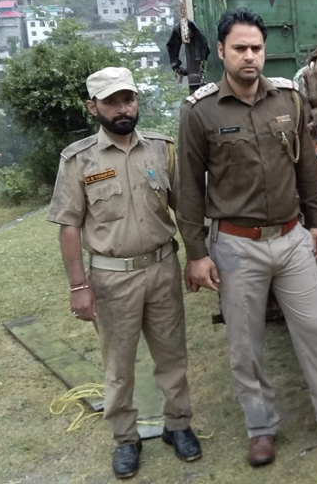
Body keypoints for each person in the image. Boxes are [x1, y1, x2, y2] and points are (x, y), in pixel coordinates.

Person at [176, 8, 317, 468]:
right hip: (236, 245)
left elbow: (308, 167)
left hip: (291, 237)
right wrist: (197, 253)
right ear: (221, 51)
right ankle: (261, 427)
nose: (249, 57)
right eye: (239, 48)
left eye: (256, 48)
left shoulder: (290, 99)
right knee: (246, 343)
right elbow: (187, 187)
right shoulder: (200, 111)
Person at [47, 67, 201, 480]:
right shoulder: (79, 160)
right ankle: (126, 438)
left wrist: (196, 257)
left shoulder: (160, 150)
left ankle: (178, 425)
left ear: (137, 101)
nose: (122, 109)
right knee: (119, 365)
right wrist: (79, 286)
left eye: (128, 99)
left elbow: (183, 209)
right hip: (112, 280)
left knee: (173, 355)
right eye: (111, 101)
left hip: (163, 268)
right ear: (92, 106)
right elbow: (69, 226)